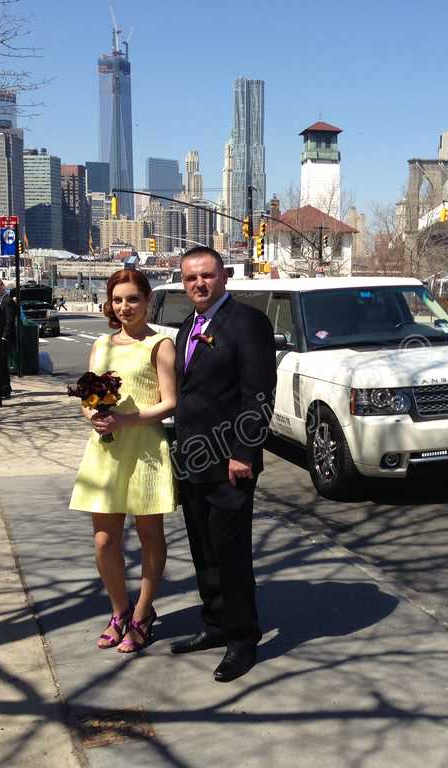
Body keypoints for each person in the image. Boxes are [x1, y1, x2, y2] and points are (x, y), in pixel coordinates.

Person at [168, 247, 277, 683]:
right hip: (192, 459)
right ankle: (215, 625)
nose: (199, 284)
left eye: (207, 276)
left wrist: (243, 453)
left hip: (230, 461)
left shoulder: (247, 323)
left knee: (231, 555)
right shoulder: (186, 327)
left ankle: (242, 639)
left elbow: (259, 394)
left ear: (224, 277)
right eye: (191, 277)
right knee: (203, 551)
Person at [69, 269, 177, 654]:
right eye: (118, 299)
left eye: (132, 299)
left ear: (147, 301)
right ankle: (119, 610)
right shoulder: (101, 344)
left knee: (150, 538)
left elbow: (169, 402)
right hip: (106, 450)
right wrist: (93, 416)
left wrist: (126, 419)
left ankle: (143, 614)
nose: (124, 307)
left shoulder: (160, 344)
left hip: (146, 449)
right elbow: (86, 396)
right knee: (103, 542)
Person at [0, 279, 15, 399]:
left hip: (4, 338)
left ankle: (5, 388)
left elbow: (9, 321)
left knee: (3, 364)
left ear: (2, 286)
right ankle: (3, 387)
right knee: (0, 364)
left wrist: (5, 336)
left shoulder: (8, 301)